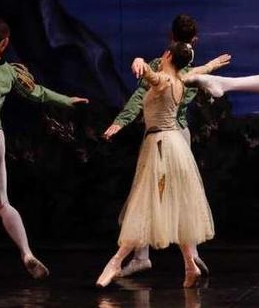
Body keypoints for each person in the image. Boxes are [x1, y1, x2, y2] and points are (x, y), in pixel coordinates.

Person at [96, 43, 230, 288]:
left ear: (167, 56)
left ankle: (116, 262)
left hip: (160, 145)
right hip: (173, 145)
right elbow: (199, 70)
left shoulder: (165, 81)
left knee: (144, 204)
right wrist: (211, 65)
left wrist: (139, 59)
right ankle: (190, 265)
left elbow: (151, 75)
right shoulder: (182, 79)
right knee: (176, 206)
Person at [0, 17, 88, 278]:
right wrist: (67, 100)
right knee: (2, 204)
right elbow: (38, 93)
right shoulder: (10, 71)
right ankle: (27, 252)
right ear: (5, 42)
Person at [103, 14, 210, 278]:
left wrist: (122, 120)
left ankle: (144, 255)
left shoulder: (165, 69)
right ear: (194, 40)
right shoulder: (188, 72)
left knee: (151, 192)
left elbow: (140, 96)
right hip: (178, 134)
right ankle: (189, 255)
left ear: (170, 37)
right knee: (182, 192)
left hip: (163, 135)